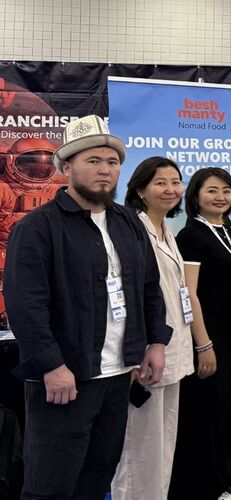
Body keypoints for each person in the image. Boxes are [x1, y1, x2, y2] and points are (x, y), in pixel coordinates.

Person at [6, 115, 169, 499]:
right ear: (66, 167)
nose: (105, 170)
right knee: (50, 485)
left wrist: (155, 342)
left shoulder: (128, 223)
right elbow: (25, 305)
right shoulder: (37, 228)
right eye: (93, 161)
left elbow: (149, 287)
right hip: (66, 379)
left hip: (118, 376)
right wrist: (51, 365)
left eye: (112, 162)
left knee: (97, 477)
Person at [111, 157, 197, 499]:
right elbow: (133, 294)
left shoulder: (167, 230)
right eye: (160, 183)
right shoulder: (134, 229)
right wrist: (139, 349)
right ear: (140, 189)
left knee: (163, 445)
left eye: (176, 182)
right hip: (148, 352)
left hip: (173, 349)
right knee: (140, 448)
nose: (171, 189)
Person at [169, 168, 231, 500]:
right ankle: (203, 488)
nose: (220, 197)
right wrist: (203, 344)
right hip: (205, 334)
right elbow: (189, 294)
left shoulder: (225, 229)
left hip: (226, 331)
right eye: (212, 190)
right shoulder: (192, 236)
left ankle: (220, 481)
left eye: (226, 190)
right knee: (203, 412)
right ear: (196, 195)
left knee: (219, 410)